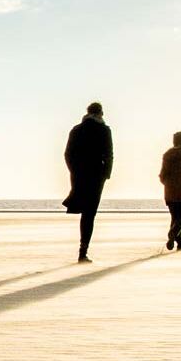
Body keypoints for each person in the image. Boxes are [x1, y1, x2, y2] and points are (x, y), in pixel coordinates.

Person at [62, 101, 113, 263]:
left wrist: (73, 170)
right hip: (97, 174)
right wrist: (107, 174)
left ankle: (83, 250)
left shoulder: (76, 130)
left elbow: (67, 154)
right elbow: (109, 154)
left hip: (79, 174)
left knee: (84, 210)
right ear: (100, 114)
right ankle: (83, 250)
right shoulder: (104, 130)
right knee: (90, 213)